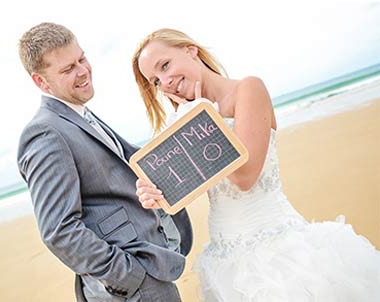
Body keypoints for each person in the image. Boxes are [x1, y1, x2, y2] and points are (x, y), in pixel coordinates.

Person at [132, 28, 380, 301]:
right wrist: (155, 194)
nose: (165, 82)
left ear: (190, 50)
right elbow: (184, 186)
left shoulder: (247, 89)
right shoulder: (186, 120)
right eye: (155, 81)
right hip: (226, 260)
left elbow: (245, 176)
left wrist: (203, 119)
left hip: (279, 250)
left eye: (165, 65)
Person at [16, 22, 193, 302]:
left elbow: (130, 167)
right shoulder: (45, 133)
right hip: (132, 287)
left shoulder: (79, 114)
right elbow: (58, 230)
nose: (83, 71)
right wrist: (130, 276)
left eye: (81, 59)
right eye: (67, 69)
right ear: (41, 81)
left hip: (149, 271)